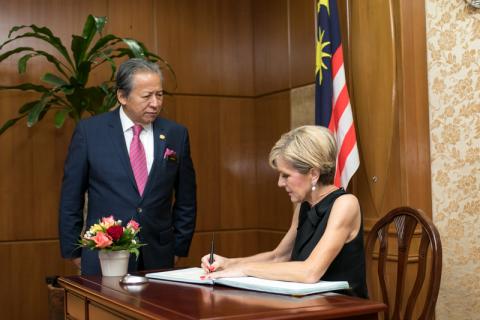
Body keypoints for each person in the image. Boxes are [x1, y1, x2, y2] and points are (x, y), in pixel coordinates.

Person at [59, 58, 196, 275]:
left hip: (159, 255)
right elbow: (71, 196)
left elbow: (186, 198)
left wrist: (179, 246)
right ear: (122, 96)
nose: (155, 103)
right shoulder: (90, 132)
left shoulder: (175, 134)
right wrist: (73, 250)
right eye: (146, 96)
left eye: (159, 95)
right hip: (105, 252)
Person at [201, 125, 367, 298]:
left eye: (286, 175)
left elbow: (310, 272)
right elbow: (278, 257)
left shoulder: (345, 204)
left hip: (344, 308)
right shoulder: (303, 207)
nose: (280, 183)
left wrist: (245, 269)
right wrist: (229, 263)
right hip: (308, 305)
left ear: (314, 174)